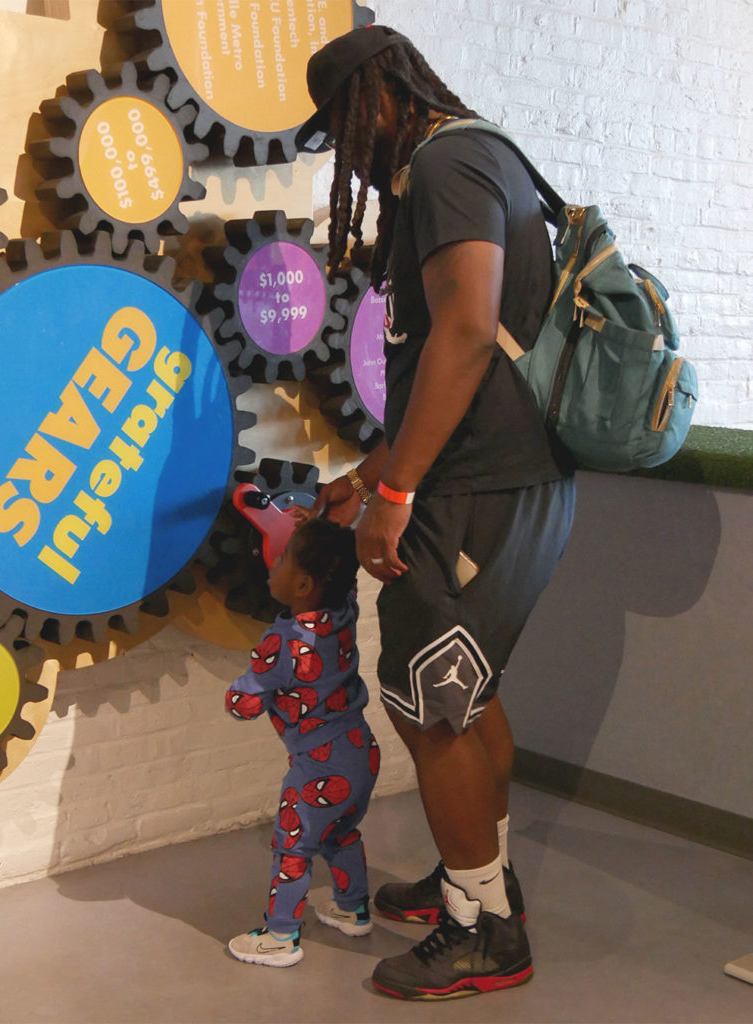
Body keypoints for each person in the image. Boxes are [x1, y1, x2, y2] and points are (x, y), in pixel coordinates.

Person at [296, 25, 576, 1000]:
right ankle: (483, 881)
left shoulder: (448, 163)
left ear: (380, 95)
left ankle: (481, 932)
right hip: (508, 483)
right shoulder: (478, 155)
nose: (348, 150)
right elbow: (458, 361)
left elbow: (464, 325)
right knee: (464, 689)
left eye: (342, 123)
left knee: (433, 704)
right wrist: (373, 474)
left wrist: (400, 492)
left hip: (473, 495)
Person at [225, 516, 381, 968]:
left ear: (304, 584)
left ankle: (280, 937)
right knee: (342, 832)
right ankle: (352, 908)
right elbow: (344, 582)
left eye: (284, 559)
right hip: (360, 751)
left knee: (292, 848)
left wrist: (240, 693)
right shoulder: (344, 610)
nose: (272, 562)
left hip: (317, 766)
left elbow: (243, 704)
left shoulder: (283, 642)